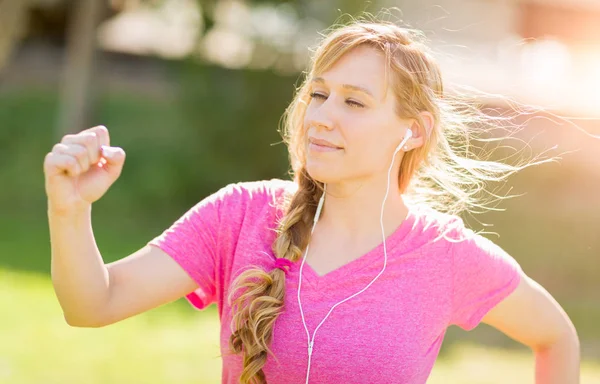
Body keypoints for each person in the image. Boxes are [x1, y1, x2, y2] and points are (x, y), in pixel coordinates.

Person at [44, 19, 580, 384]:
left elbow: (555, 336)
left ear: (413, 131)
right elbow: (94, 304)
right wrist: (69, 210)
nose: (322, 115)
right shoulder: (241, 215)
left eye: (354, 101)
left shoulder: (445, 255)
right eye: (319, 93)